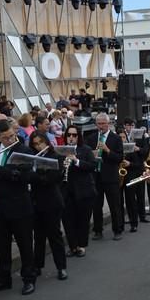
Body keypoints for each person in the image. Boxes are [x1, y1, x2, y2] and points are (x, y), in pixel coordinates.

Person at [0, 119, 37, 295]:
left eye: (13, 135)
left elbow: (21, 177)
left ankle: (29, 278)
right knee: (2, 246)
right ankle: (3, 279)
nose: (11, 140)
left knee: (25, 244)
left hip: (20, 205)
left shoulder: (23, 150)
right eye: (6, 138)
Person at [28, 131, 68, 281]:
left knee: (54, 235)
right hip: (35, 201)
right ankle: (38, 266)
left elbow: (52, 178)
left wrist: (34, 176)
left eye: (41, 142)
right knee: (38, 237)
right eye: (35, 144)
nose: (39, 146)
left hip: (52, 201)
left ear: (46, 142)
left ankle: (61, 267)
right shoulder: (32, 158)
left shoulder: (55, 157)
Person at [85, 113, 124, 241]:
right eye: (99, 124)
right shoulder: (90, 138)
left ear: (108, 124)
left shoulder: (116, 138)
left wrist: (108, 150)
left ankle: (117, 230)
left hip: (111, 177)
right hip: (96, 176)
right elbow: (86, 156)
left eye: (103, 123)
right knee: (96, 206)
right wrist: (92, 154)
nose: (101, 126)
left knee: (114, 205)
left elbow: (119, 158)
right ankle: (97, 230)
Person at [61, 125, 96, 257]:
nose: (71, 138)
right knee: (68, 221)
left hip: (83, 191)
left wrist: (76, 161)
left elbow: (92, 166)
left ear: (78, 137)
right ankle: (72, 246)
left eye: (74, 135)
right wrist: (62, 166)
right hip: (66, 191)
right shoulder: (61, 151)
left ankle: (81, 246)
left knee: (82, 220)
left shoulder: (85, 150)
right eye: (69, 135)